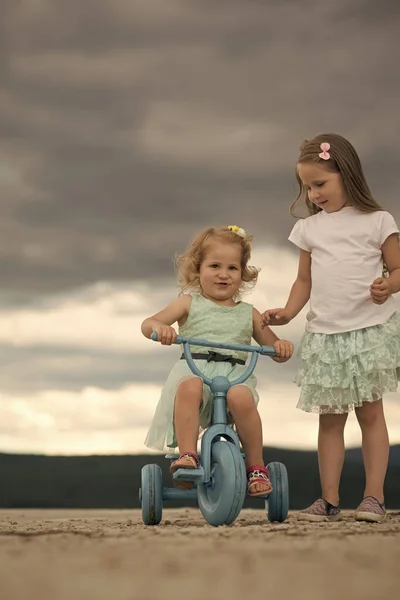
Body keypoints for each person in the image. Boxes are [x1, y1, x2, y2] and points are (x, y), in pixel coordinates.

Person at [262, 133, 400, 522]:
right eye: (308, 187)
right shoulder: (309, 230)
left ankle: (373, 497)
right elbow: (304, 281)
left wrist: (388, 285)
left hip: (369, 331)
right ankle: (329, 499)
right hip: (326, 334)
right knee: (330, 419)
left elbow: (398, 268)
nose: (314, 194)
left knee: (371, 414)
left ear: (346, 173)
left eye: (320, 184)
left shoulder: (378, 221)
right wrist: (288, 313)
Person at [141, 225, 294, 496]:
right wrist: (160, 329)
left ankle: (256, 466)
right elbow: (148, 323)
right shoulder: (188, 303)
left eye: (232, 268)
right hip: (195, 370)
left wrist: (281, 346)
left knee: (241, 397)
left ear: (242, 273)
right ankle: (188, 455)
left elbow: (273, 346)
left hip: (235, 376)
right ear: (198, 269)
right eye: (214, 266)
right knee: (189, 386)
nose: (223, 274)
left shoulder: (249, 313)